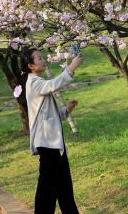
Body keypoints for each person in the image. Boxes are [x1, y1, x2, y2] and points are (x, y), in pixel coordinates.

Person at [20, 47, 84, 214]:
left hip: (54, 145)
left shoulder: (38, 83)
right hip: (48, 145)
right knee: (46, 191)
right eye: (39, 58)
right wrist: (72, 67)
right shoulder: (34, 83)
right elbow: (53, 85)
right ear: (31, 66)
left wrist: (66, 110)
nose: (43, 60)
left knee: (64, 190)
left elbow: (48, 116)